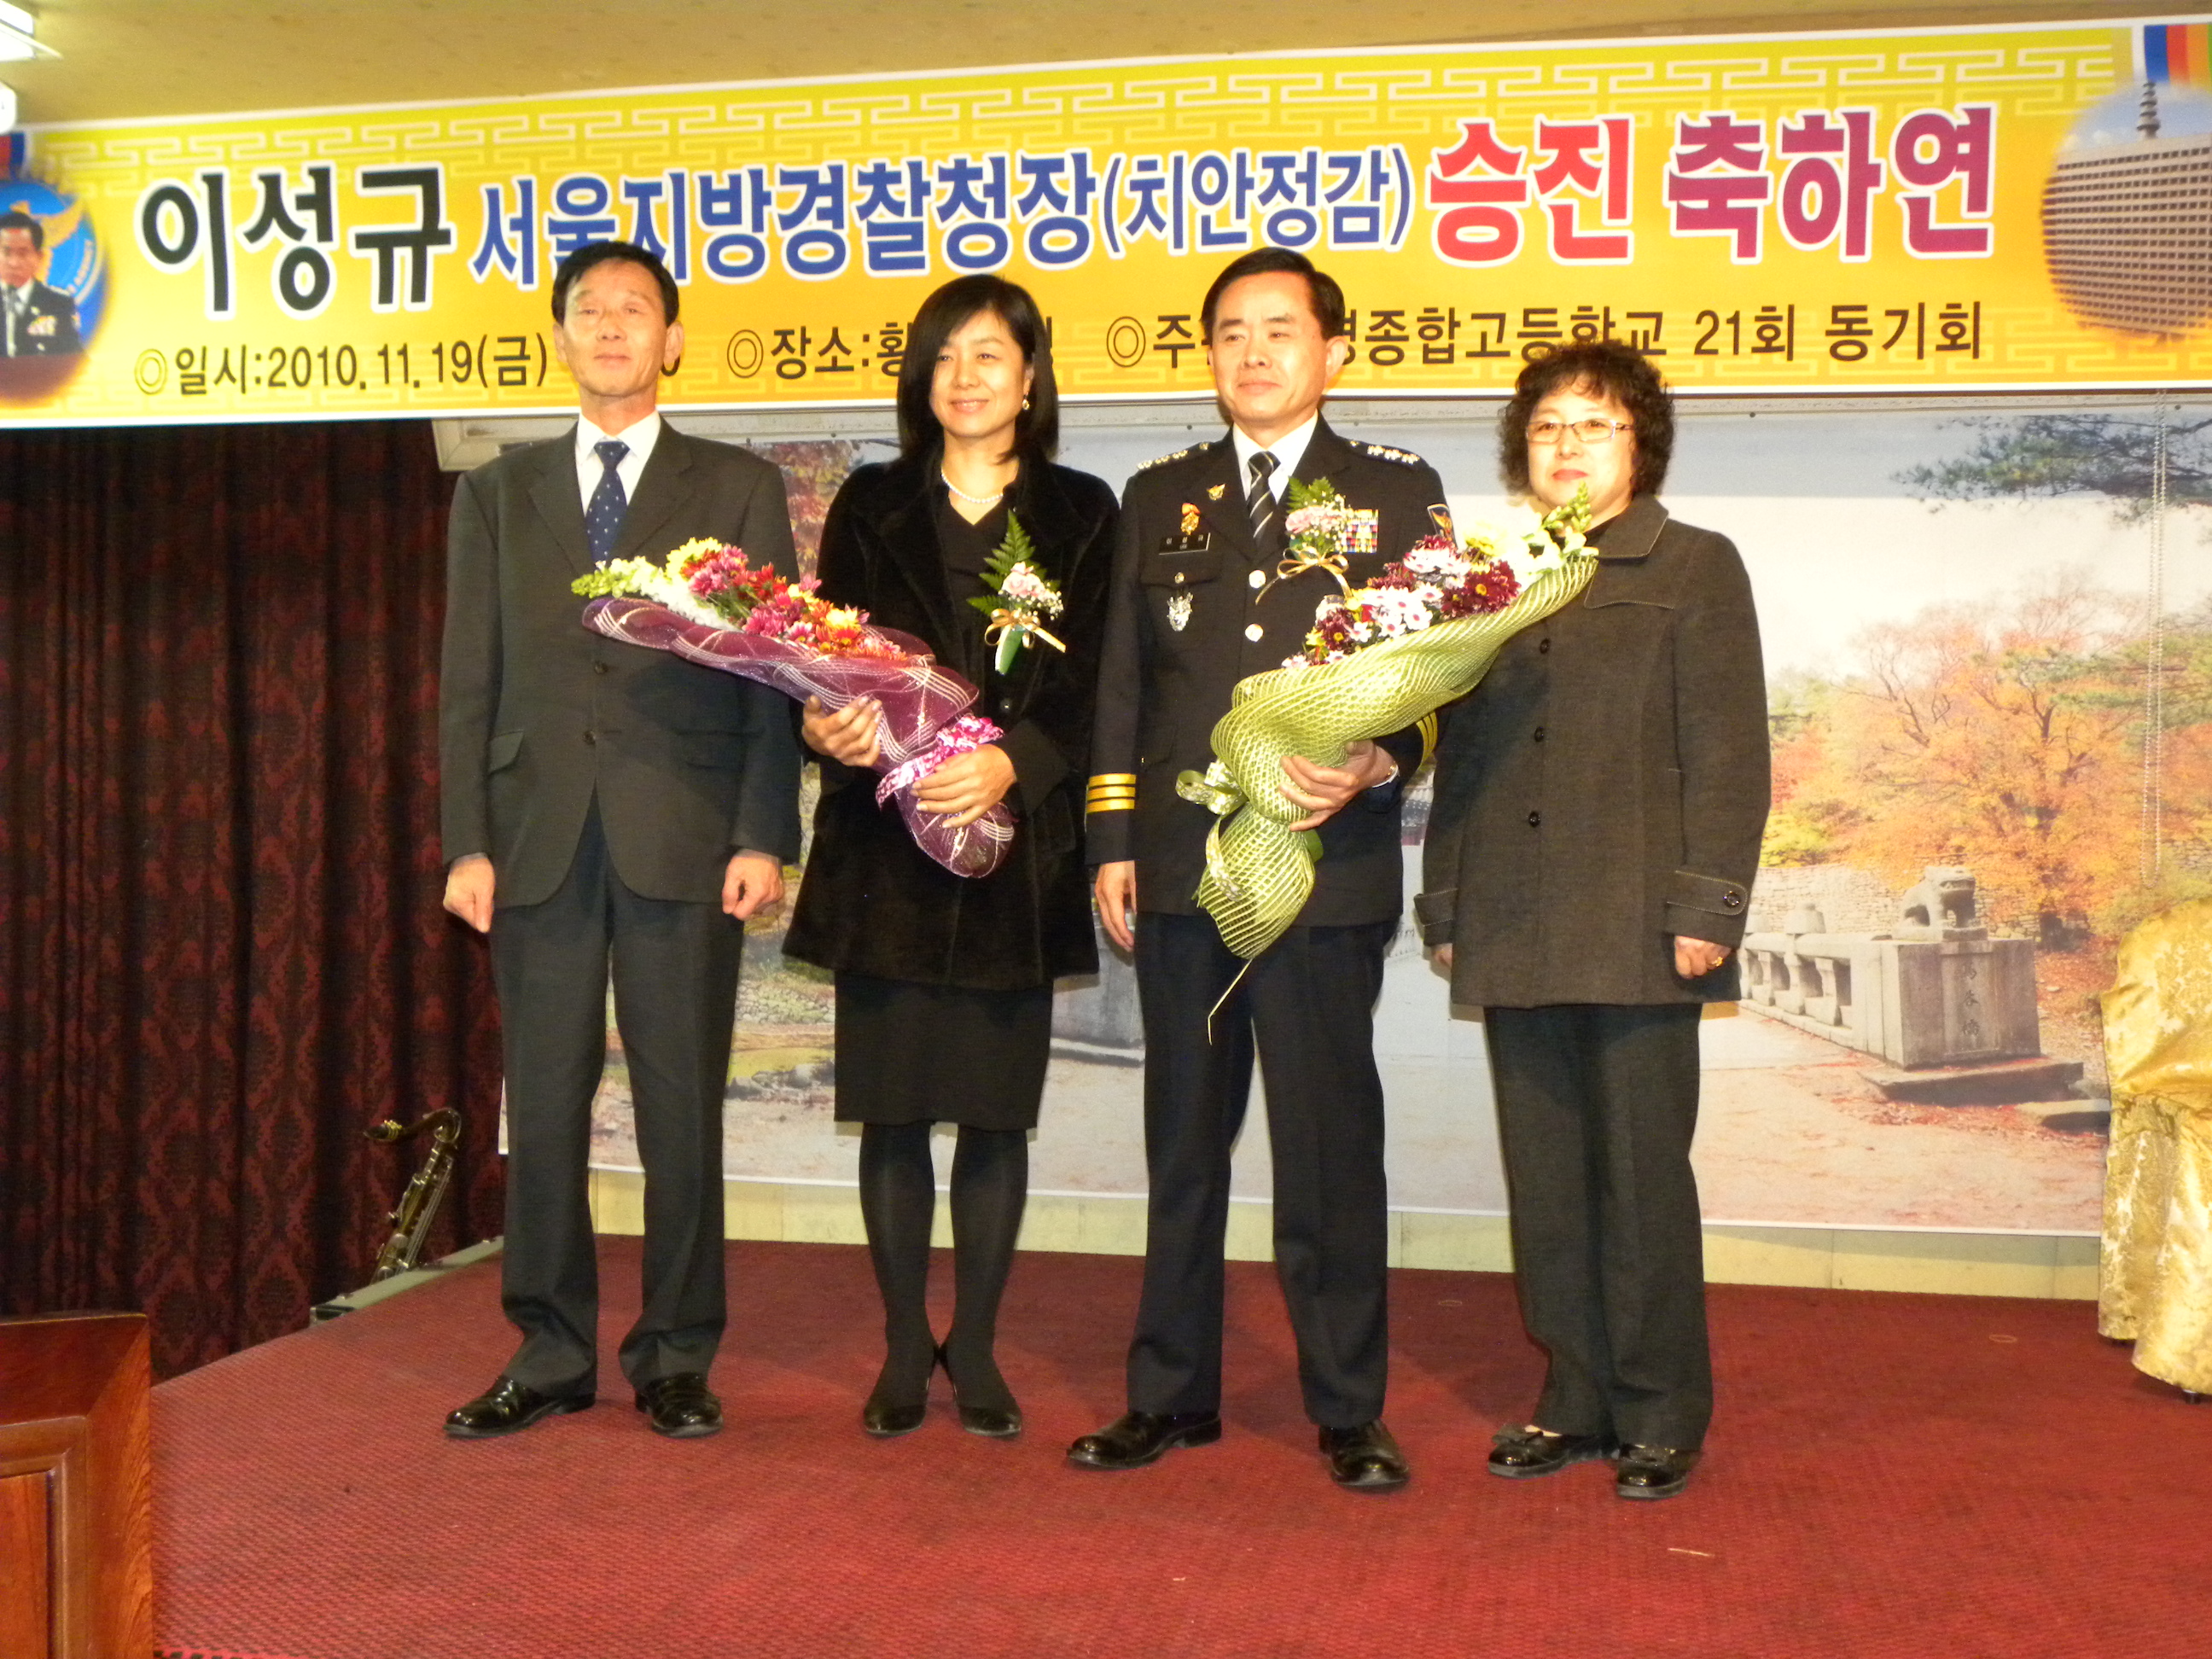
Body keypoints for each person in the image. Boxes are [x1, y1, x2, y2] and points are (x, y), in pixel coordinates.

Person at [1070, 247, 1448, 1492]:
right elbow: (1121, 683)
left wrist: (1385, 758)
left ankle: (1348, 1408)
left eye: (1280, 330)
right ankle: (1167, 1395)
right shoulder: (1159, 495)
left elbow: (1444, 667)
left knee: (1329, 1149)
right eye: (1232, 331)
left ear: (1332, 352)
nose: (1254, 352)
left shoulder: (1395, 492)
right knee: (1182, 1142)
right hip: (1186, 875)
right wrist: (1113, 843)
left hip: (1323, 871)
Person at [438, 240, 801, 1441]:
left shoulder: (737, 488)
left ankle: (676, 1355)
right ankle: (548, 1351)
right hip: (535, 838)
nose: (609, 326)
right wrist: (466, 841)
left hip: (684, 834)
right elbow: (467, 681)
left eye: (633, 309)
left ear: (671, 341)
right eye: (588, 309)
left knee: (679, 1104)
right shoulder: (498, 493)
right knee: (543, 1107)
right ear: (560, 338)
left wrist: (762, 829)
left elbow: (771, 672)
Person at [1417, 340, 1770, 1500]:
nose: (1567, 445)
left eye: (1595, 425)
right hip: (1513, 919)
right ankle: (1572, 1396)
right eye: (1548, 427)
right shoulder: (1494, 578)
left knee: (1640, 1174)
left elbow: (1728, 753)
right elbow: (1461, 755)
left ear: (1640, 445)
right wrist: (1448, 902)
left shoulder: (1694, 564)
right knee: (1548, 1178)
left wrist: (1708, 905)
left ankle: (1661, 1409)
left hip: (1637, 924)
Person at [784, 275, 1118, 1441]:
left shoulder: (1082, 511)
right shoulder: (872, 501)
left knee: (990, 1118)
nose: (965, 377)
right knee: (891, 1116)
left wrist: (1016, 763)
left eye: (989, 355)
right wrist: (823, 727)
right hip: (885, 846)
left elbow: (1096, 679)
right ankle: (899, 1349)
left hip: (1010, 856)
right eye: (944, 357)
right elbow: (824, 657)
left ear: (1030, 379)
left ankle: (972, 1346)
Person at [0, 210, 82, 356]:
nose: (13, 263)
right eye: (6, 253)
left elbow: (74, 359)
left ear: (39, 257)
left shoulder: (58, 304)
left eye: (23, 253)